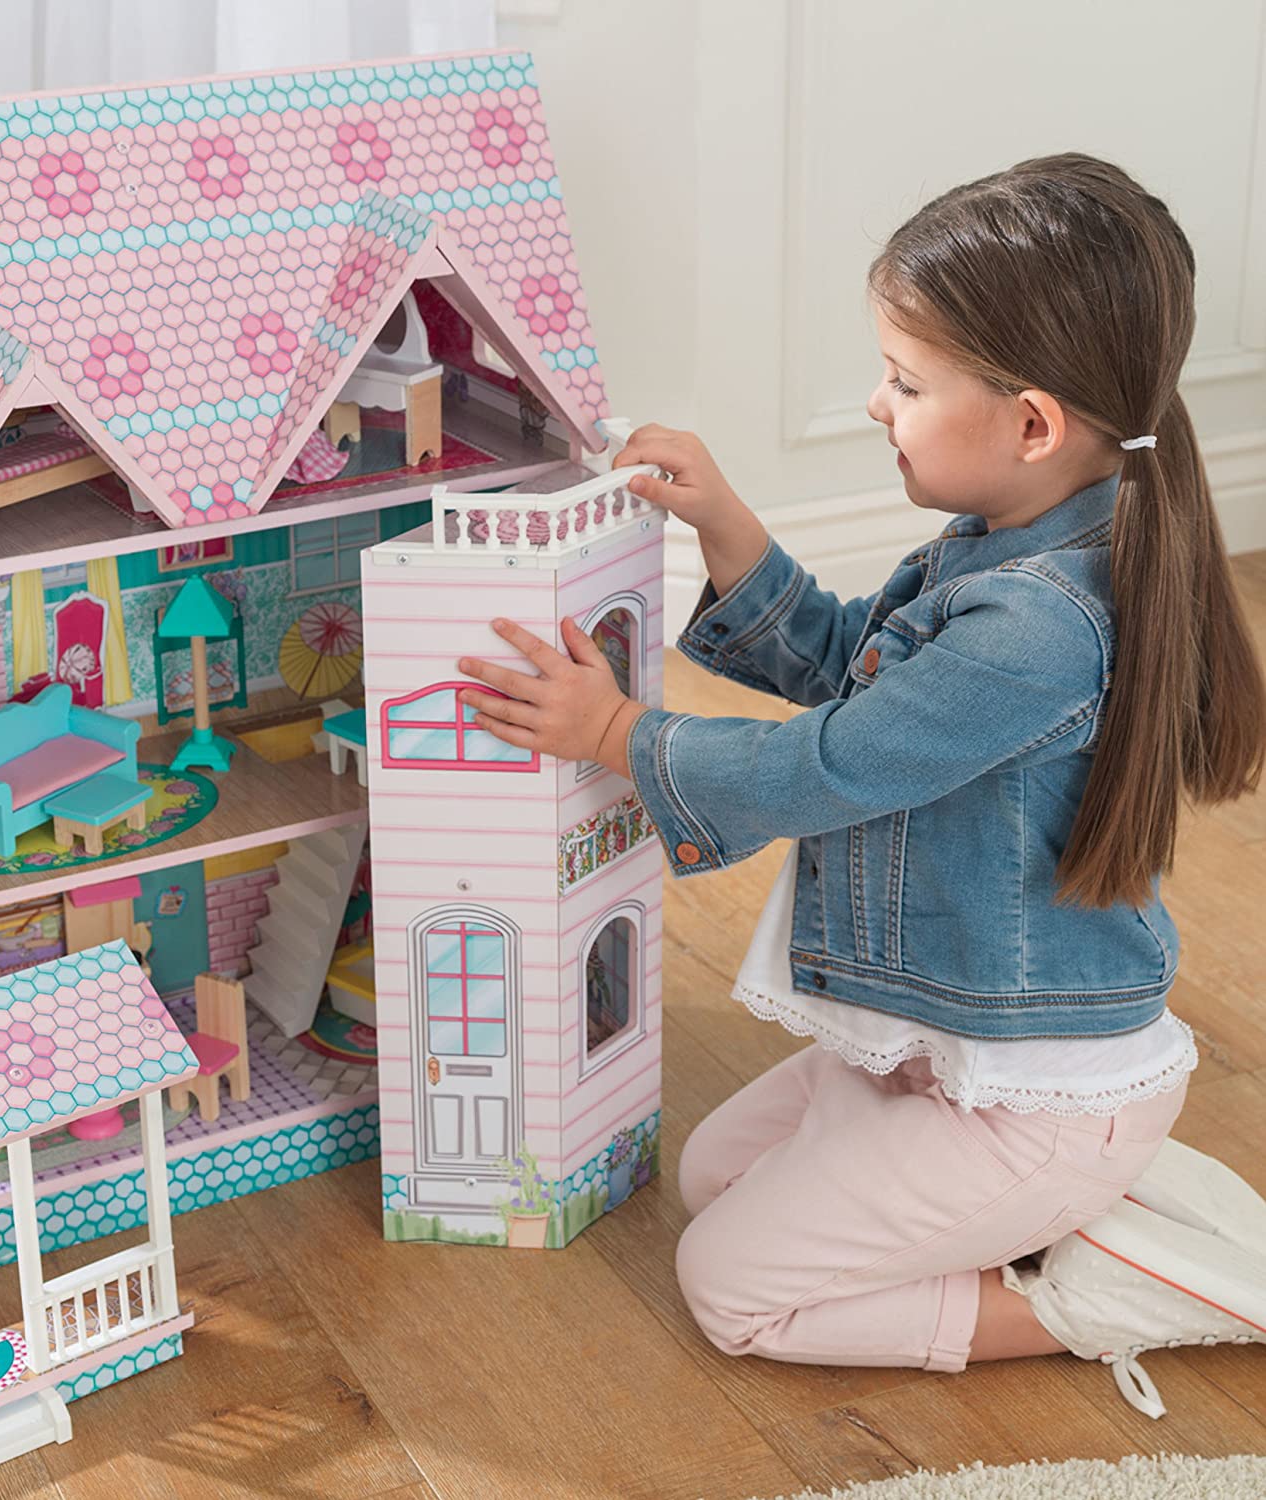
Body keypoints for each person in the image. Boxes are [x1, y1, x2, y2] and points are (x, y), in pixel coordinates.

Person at [454, 153, 1266, 1419]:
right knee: (717, 1176)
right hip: (945, 1046)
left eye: (905, 382)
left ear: (1033, 424)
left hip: (1028, 1091)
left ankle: (1094, 1289)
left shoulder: (1040, 622)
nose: (878, 404)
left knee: (732, 1292)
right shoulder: (1004, 540)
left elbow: (837, 762)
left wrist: (619, 733)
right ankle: (1050, 1208)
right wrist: (729, 528)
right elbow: (856, 675)